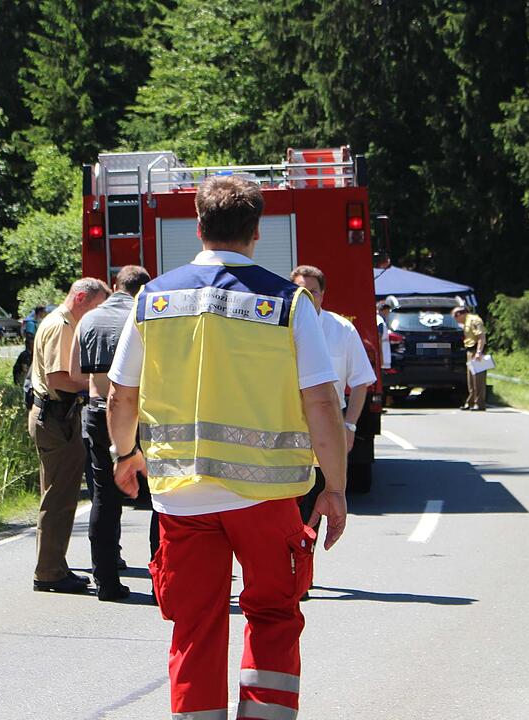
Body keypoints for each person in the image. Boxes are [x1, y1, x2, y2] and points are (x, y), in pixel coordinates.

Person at [107, 176, 347, 719]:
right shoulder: (289, 302)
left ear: (198, 226)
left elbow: (121, 396)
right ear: (257, 232)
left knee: (195, 627)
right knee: (274, 615)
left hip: (181, 499)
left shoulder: (153, 298)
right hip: (265, 497)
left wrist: (126, 455)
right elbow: (322, 405)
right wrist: (334, 487)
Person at [70, 265, 153, 602]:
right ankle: (163, 579)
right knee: (157, 497)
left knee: (103, 497)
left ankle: (105, 581)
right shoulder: (144, 317)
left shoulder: (89, 318)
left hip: (95, 410)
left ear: (116, 285)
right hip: (137, 412)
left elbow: (75, 371)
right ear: (144, 288)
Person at [29, 278, 109, 593]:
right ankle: (49, 571)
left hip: (57, 416)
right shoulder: (62, 326)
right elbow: (59, 378)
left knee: (58, 495)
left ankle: (53, 567)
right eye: (96, 306)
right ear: (79, 298)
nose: (98, 314)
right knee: (59, 498)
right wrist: (98, 384)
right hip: (55, 416)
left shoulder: (61, 322)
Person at [290, 266, 376, 543]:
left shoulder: (341, 330)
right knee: (288, 508)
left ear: (323, 295)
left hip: (327, 426)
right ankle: (296, 572)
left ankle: (303, 570)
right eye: (300, 291)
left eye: (312, 292)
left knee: (314, 503)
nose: (307, 297)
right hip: (287, 424)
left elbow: (361, 381)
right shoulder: (278, 330)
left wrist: (349, 425)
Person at [453, 305, 487, 411]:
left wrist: (479, 352)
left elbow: (481, 337)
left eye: (455, 317)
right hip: (470, 351)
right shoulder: (466, 321)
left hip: (478, 351)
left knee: (479, 380)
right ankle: (471, 402)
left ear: (459, 314)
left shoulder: (475, 320)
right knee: (471, 380)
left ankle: (479, 403)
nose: (455, 320)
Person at [376, 300, 392, 370]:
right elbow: (379, 338)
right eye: (387, 310)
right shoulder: (379, 321)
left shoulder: (380, 319)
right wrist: (381, 357)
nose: (388, 312)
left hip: (384, 347)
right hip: (382, 348)